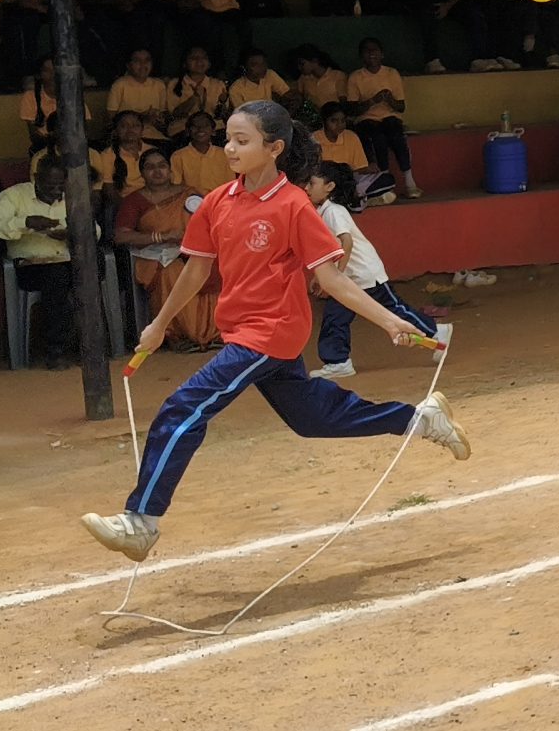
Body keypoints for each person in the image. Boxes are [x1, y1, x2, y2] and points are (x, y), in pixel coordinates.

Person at [80, 101, 469, 563]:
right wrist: (159, 324)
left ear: (274, 148)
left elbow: (332, 279)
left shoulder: (294, 206)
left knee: (182, 408)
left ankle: (141, 521)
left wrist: (388, 320)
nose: (230, 148)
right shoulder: (217, 202)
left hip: (271, 332)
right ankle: (421, 419)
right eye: (228, 139)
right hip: (243, 331)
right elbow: (196, 271)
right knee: (313, 419)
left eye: (242, 140)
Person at [304, 161, 439, 379]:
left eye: (312, 183)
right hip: (355, 276)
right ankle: (338, 361)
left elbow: (346, 242)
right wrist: (323, 276)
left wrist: (336, 275)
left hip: (363, 274)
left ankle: (435, 332)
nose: (307, 188)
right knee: (338, 317)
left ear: (329, 187)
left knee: (391, 309)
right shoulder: (326, 211)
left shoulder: (333, 211)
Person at [115, 149, 217, 353]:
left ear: (170, 170)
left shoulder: (189, 194)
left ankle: (213, 333)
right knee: (172, 271)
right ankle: (179, 335)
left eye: (162, 166)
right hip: (155, 256)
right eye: (150, 167)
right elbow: (120, 236)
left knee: (213, 266)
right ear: (142, 173)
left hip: (193, 250)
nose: (157, 171)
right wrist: (162, 237)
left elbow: (212, 220)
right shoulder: (134, 200)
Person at [0, 159, 81, 367]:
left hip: (69, 260)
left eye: (60, 185)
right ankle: (55, 350)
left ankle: (89, 344)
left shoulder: (73, 195)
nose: (56, 191)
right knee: (57, 277)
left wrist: (72, 234)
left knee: (93, 269)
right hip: (31, 266)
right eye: (50, 186)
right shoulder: (14, 196)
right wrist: (26, 223)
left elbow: (94, 230)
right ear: (36, 178)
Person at [347, 38, 421, 199]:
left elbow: (401, 107)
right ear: (361, 56)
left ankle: (410, 182)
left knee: (397, 136)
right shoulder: (355, 77)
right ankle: (385, 182)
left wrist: (389, 100)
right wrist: (373, 101)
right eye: (367, 50)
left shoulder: (391, 73)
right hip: (366, 119)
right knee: (377, 138)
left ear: (382, 54)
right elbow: (352, 110)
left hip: (390, 117)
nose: (371, 53)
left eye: (375, 50)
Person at [317, 101, 393, 207]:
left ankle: (355, 199)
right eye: (334, 121)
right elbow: (314, 172)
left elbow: (359, 169)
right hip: (326, 183)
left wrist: (369, 169)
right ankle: (360, 199)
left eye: (343, 121)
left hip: (351, 181)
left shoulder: (351, 137)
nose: (339, 125)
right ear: (324, 122)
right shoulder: (314, 140)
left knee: (388, 179)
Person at [106, 48, 172, 143]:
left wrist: (159, 120)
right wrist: (142, 118)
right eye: (137, 61)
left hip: (153, 135)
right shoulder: (120, 84)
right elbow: (111, 118)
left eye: (147, 60)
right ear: (128, 65)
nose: (143, 64)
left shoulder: (159, 85)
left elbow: (164, 116)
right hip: (128, 136)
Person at [167, 45, 229, 144]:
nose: (199, 61)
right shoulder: (174, 84)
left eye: (204, 57)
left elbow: (220, 115)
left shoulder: (218, 84)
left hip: (214, 129)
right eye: (194, 58)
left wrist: (222, 104)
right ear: (185, 63)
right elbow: (174, 114)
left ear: (209, 63)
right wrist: (194, 97)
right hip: (184, 129)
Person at [171, 110, 235, 193]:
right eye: (195, 126)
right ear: (188, 131)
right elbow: (176, 186)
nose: (200, 129)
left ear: (213, 131)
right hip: (191, 199)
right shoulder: (178, 156)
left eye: (205, 125)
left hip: (219, 199)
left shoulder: (224, 154)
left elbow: (230, 185)